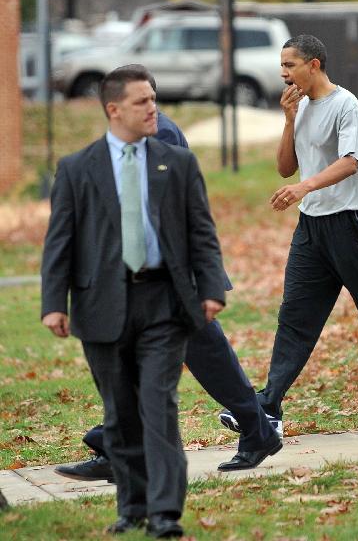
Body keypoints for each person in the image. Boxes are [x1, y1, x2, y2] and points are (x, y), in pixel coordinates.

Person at [219, 34, 358, 438]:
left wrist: (306, 188)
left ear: (314, 65)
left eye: (290, 65)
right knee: (295, 318)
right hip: (312, 230)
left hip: (351, 225)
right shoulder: (299, 107)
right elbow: (287, 168)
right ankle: (268, 408)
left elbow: (352, 162)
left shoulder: (345, 105)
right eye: (281, 67)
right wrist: (288, 122)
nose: (284, 74)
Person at [41, 64, 227, 538]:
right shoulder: (77, 168)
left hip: (164, 302)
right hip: (101, 305)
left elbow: (200, 233)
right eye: (142, 101)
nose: (153, 109)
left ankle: (165, 514)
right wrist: (53, 302)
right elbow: (59, 242)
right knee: (119, 413)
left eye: (154, 99)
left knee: (157, 405)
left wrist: (209, 290)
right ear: (114, 109)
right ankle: (132, 507)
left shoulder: (176, 162)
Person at [54, 108, 282, 485]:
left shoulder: (161, 134)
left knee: (200, 357)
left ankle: (121, 447)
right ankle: (127, 446)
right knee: (187, 358)